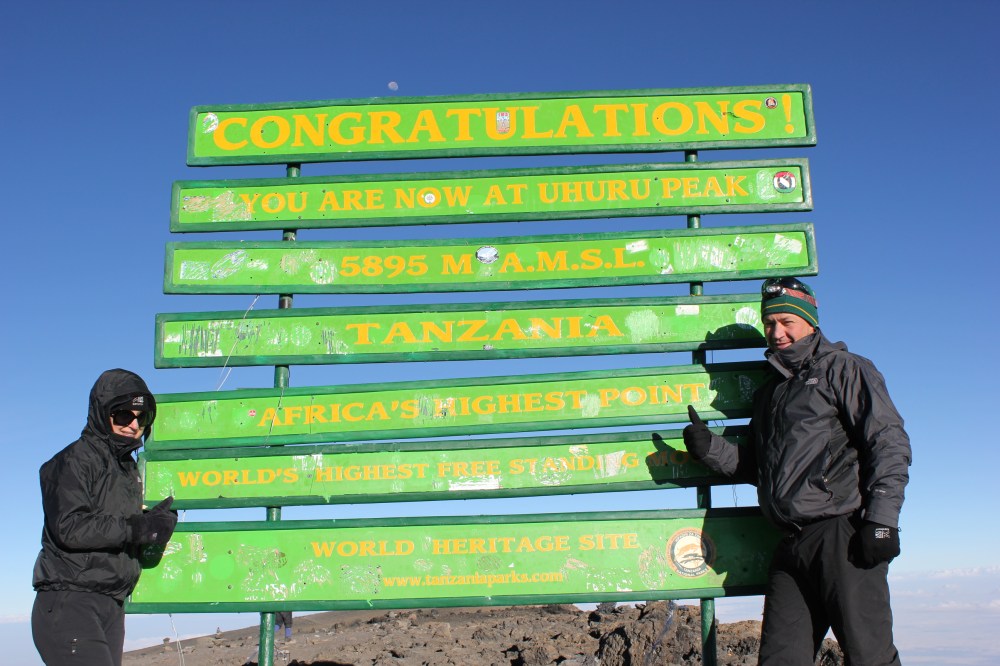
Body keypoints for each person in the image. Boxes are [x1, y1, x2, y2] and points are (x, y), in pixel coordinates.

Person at [682, 277, 911, 665]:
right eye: (769, 324)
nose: (777, 332)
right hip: (790, 544)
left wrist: (882, 520)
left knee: (869, 657)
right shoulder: (771, 392)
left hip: (844, 535)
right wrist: (710, 449)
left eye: (787, 321)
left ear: (810, 320)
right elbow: (754, 466)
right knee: (779, 659)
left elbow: (888, 442)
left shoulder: (843, 368)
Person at [32, 369, 178, 666]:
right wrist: (140, 528)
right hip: (71, 600)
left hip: (111, 603)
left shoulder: (126, 470)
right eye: (124, 415)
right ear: (102, 412)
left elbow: (113, 524)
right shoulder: (74, 460)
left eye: (143, 417)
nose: (134, 425)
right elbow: (69, 527)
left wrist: (155, 521)